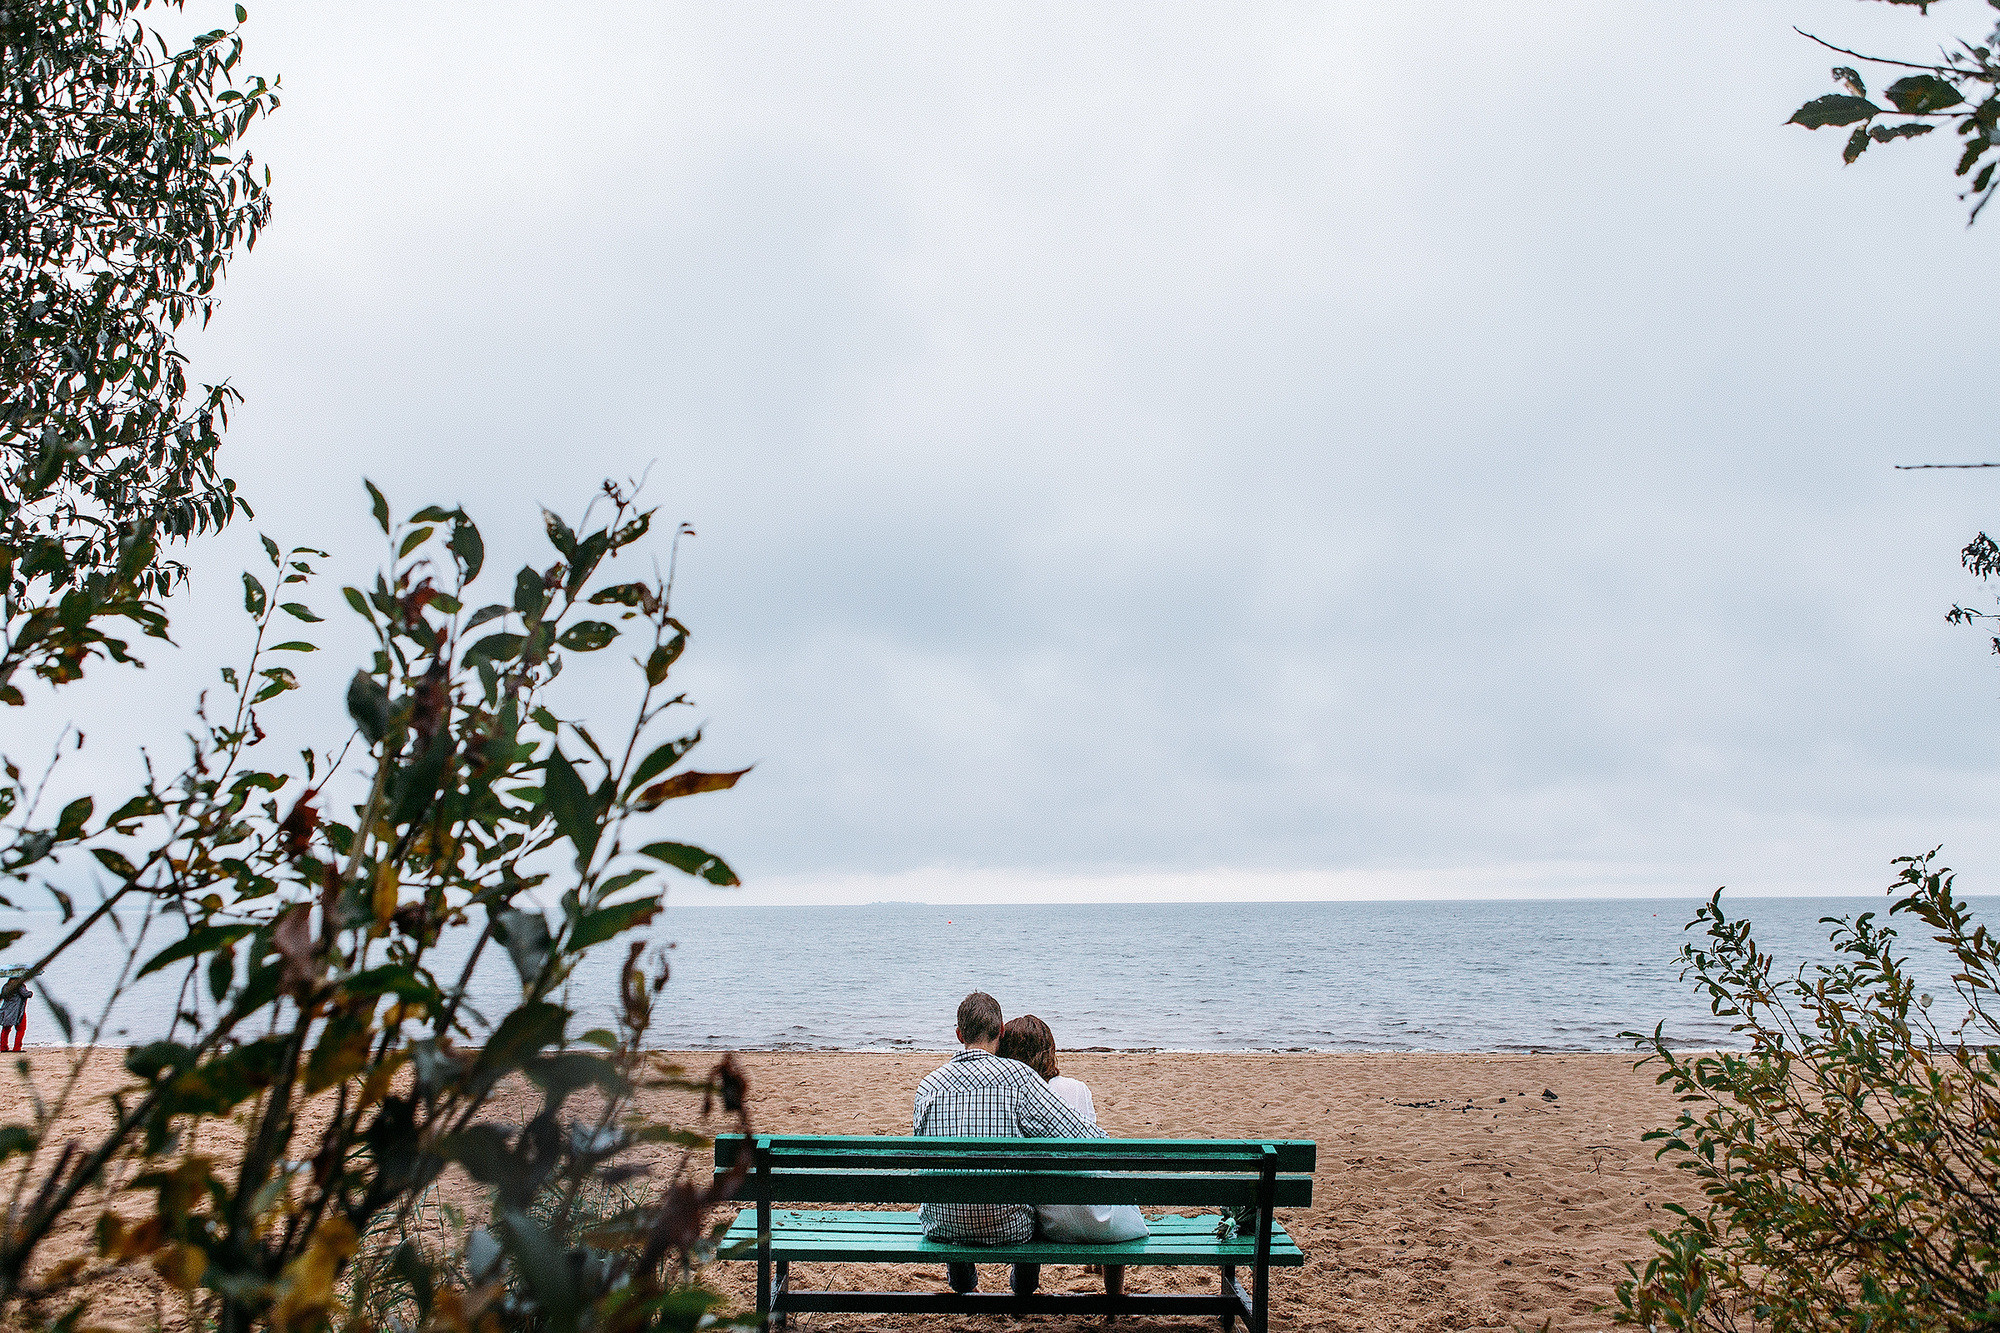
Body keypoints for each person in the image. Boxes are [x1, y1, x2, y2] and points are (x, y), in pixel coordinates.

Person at [914, 992, 1099, 1297]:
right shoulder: (1021, 1078)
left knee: (949, 1187)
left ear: (959, 1034)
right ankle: (1023, 1288)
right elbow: (1078, 1135)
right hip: (1010, 1228)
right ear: (1000, 1031)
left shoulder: (929, 1085)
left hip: (943, 1226)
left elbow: (924, 1160)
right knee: (1030, 1199)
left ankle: (963, 1283)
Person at [998, 1014, 1148, 1297]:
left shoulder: (1013, 1096)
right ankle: (1114, 1299)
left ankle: (1023, 1294)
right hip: (1103, 1220)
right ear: (1049, 1050)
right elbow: (1095, 1156)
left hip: (1052, 1225)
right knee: (1107, 1185)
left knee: (1027, 1199)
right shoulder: (1077, 1088)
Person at [0, 978, 31, 1052]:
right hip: (18, 1011)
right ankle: (17, 1047)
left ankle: (3, 1047)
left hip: (6, 1010)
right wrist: (30, 992)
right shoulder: (19, 986)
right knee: (21, 1029)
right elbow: (26, 994)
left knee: (6, 1029)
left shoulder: (5, 986)